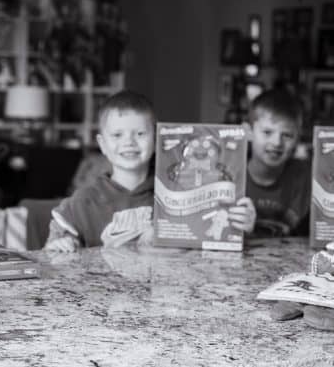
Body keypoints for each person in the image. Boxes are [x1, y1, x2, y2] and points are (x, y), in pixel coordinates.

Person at [44, 90, 256, 252]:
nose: (129, 142)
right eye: (117, 135)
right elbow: (53, 246)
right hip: (104, 301)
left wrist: (240, 225)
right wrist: (61, 243)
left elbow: (215, 241)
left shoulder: (179, 192)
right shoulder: (85, 201)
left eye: (139, 133)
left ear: (156, 140)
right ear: (103, 145)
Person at [244, 88, 311, 238]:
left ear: (297, 139)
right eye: (267, 132)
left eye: (287, 135)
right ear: (248, 132)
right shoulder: (231, 174)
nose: (276, 143)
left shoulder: (308, 176)